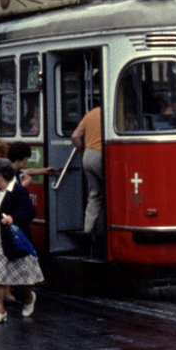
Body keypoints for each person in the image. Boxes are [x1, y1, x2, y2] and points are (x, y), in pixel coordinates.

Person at [0, 159, 44, 323]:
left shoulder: (18, 191)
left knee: (22, 277)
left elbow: (30, 212)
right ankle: (0, 310)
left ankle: (28, 298)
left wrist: (13, 218)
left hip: (14, 240)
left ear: (1, 175)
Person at [71, 102, 105, 256]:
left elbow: (75, 135)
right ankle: (106, 230)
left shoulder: (90, 114)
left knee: (95, 194)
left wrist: (82, 151)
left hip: (88, 156)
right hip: (102, 154)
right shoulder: (112, 112)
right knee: (111, 192)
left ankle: (88, 229)